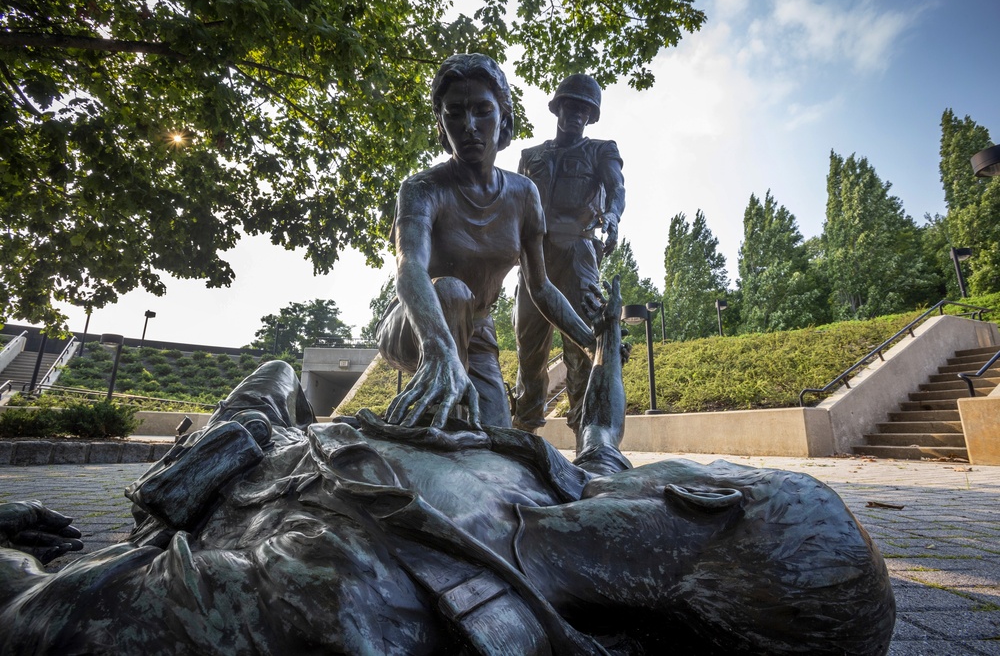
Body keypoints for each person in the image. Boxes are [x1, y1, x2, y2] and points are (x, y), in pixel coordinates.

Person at [0, 280, 895, 656]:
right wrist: (611, 338)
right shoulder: (565, 479)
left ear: (699, 493)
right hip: (258, 445)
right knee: (276, 371)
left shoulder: (358, 613)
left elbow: (42, 620)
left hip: (215, 499)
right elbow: (604, 420)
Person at [376, 54, 598, 430]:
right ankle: (432, 424)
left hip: (477, 330)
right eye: (455, 113)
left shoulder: (524, 195)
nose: (469, 126)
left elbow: (541, 288)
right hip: (417, 325)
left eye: (482, 111)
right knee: (451, 292)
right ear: (441, 124)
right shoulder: (421, 189)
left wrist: (591, 341)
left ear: (504, 119)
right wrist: (438, 346)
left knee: (496, 435)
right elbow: (409, 266)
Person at [513, 73, 626, 444]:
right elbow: (514, 208)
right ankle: (522, 435)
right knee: (529, 348)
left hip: (578, 253)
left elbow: (617, 190)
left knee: (581, 350)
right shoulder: (530, 157)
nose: (577, 113)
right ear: (558, 107)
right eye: (571, 105)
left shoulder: (601, 150)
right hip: (535, 257)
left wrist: (611, 217)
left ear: (591, 116)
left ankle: (587, 440)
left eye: (585, 108)